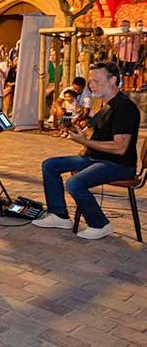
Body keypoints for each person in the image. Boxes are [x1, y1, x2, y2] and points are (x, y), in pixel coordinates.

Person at [33, 62, 140, 240]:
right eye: (91, 81)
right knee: (50, 165)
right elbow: (93, 131)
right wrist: (81, 134)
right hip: (96, 158)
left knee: (75, 183)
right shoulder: (106, 105)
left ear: (113, 80)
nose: (91, 85)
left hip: (118, 164)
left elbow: (120, 148)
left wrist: (85, 142)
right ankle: (59, 215)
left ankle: (100, 224)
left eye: (96, 81)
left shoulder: (124, 107)